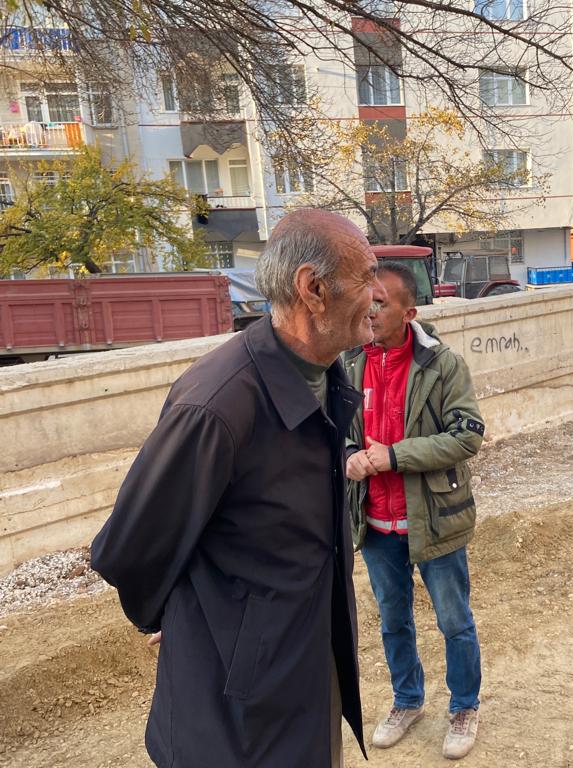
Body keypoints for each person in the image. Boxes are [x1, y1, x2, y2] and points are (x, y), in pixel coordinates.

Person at [90, 210, 385, 767]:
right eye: (368, 276)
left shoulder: (325, 376)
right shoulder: (218, 406)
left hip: (302, 674)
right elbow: (129, 549)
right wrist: (187, 615)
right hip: (235, 714)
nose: (380, 294)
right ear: (313, 289)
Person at [343, 262, 484, 760]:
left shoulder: (443, 365)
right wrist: (348, 455)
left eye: (380, 303)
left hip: (434, 519)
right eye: (366, 301)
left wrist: (396, 456)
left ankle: (464, 707)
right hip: (375, 522)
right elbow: (332, 429)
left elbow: (467, 435)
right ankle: (407, 700)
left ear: (409, 312)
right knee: (393, 621)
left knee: (454, 621)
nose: (370, 311)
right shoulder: (349, 364)